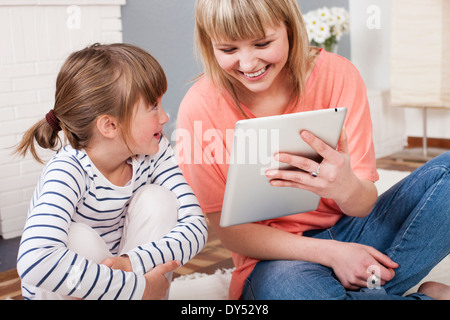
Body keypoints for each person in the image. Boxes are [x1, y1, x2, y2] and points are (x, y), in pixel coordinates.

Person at [176, 0, 450, 300]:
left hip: (354, 231)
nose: (248, 63)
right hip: (276, 260)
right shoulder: (199, 106)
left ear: (290, 29)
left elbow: (362, 206)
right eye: (228, 50)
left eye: (263, 43)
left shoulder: (338, 74)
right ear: (208, 44)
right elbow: (230, 232)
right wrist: (332, 254)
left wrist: (346, 188)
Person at [15, 43, 208, 300]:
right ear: (109, 125)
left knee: (158, 199)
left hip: (122, 280)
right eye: (153, 106)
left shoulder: (155, 152)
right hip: (76, 291)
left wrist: (132, 263)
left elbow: (196, 225)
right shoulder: (67, 171)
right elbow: (34, 262)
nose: (164, 117)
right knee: (76, 237)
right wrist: (137, 289)